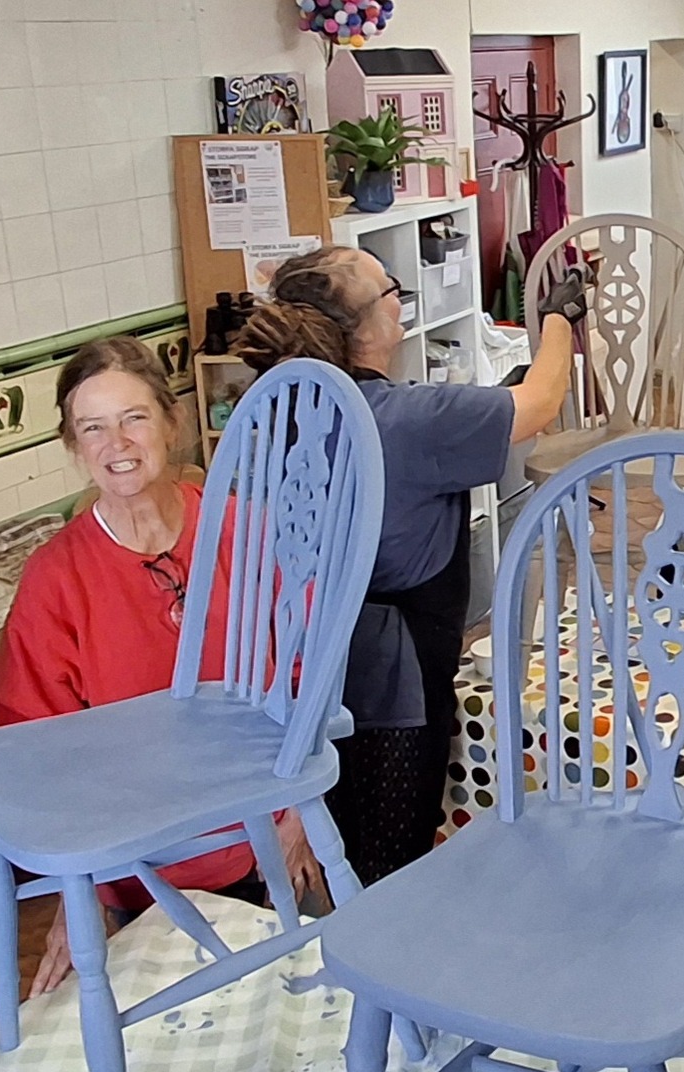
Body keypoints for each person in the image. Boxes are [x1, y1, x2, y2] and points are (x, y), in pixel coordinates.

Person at [232, 246, 585, 887]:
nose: (400, 300)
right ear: (363, 328)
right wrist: (559, 319)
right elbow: (540, 403)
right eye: (390, 289)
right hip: (397, 677)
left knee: (336, 831)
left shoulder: (282, 408)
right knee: (390, 857)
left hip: (302, 660)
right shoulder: (406, 417)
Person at [0, 335, 319, 989]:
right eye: (93, 427)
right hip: (132, 870)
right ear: (74, 445)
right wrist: (75, 890)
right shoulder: (56, 579)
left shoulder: (248, 531)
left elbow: (310, 678)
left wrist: (300, 813)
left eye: (134, 418)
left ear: (172, 421)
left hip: (267, 839)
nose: (118, 443)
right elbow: (35, 745)